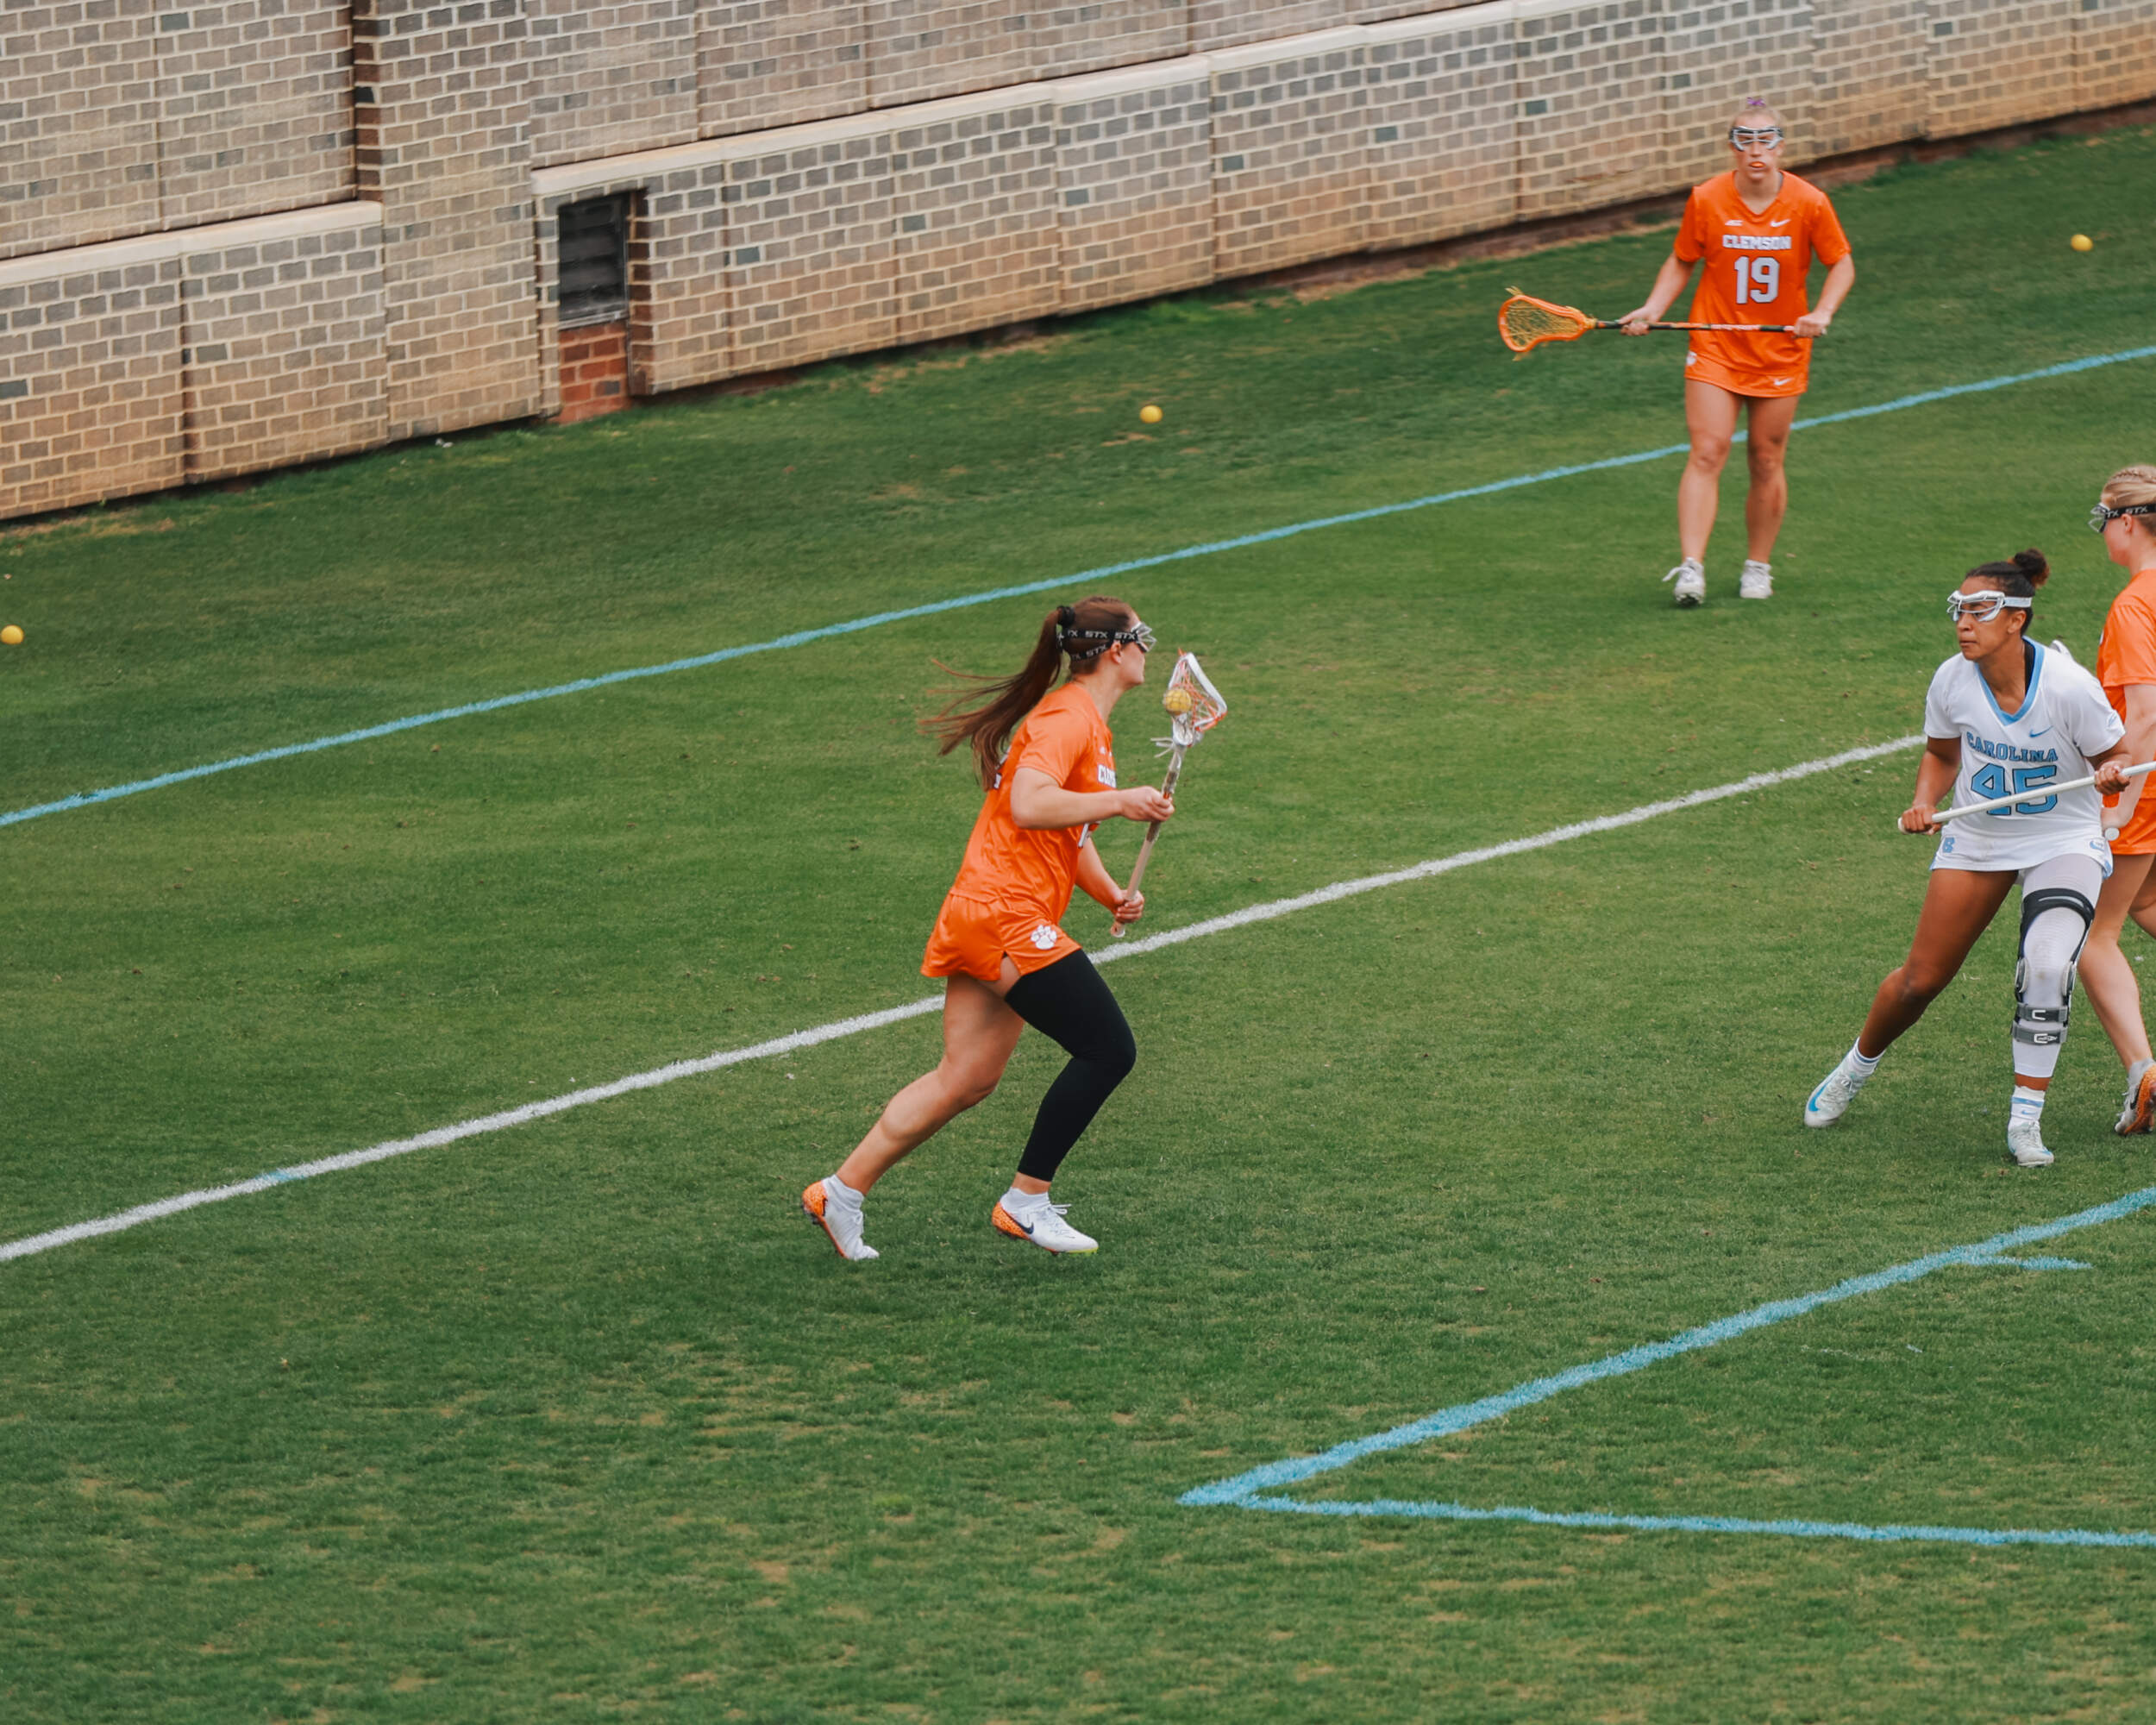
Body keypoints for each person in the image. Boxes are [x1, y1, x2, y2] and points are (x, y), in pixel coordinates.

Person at [801, 596, 1173, 1261]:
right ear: (1116, 650)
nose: (1150, 648)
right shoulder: (1066, 718)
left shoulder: (1087, 724)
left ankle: (840, 1192)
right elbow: (1030, 803)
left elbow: (1066, 830)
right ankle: (1026, 1202)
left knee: (965, 1078)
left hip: (987, 913)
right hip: (1006, 915)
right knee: (1107, 1048)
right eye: (1143, 636)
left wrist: (1112, 893)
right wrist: (1122, 800)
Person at [1804, 551, 2131, 1167]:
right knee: (1919, 982)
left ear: (2016, 619)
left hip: (2062, 837)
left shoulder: (2068, 688)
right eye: (1959, 609)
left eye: (1980, 610)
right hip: (1979, 836)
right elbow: (1941, 754)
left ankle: (2025, 1120)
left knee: (2047, 963)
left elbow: (2114, 756)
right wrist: (1923, 802)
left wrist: (2112, 776)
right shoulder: (1952, 679)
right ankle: (1854, 1068)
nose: (1963, 622)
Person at [1618, 97, 1856, 607]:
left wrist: (1822, 312)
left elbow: (1841, 263)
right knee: (1708, 451)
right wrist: (1653, 308)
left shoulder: (1810, 202)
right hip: (1716, 345)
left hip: (1780, 351)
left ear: (1781, 146)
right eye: (1745, 140)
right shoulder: (1706, 199)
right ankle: (1691, 568)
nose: (1756, 150)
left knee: (1766, 458)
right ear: (1732, 147)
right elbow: (1682, 259)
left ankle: (1758, 566)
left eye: (1766, 139)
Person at [2071, 467, 2156, 1132]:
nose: (2102, 533)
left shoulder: (2133, 606)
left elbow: (2147, 713)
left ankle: (2144, 1074)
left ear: (2128, 523)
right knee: (2147, 902)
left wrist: (2121, 802)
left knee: (2089, 936)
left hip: (2143, 789)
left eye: (2103, 519)